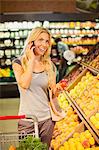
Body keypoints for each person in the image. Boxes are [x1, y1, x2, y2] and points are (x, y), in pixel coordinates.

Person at [12, 27, 64, 148]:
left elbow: (52, 94)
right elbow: (24, 84)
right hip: (27, 120)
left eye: (47, 41)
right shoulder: (18, 63)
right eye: (40, 40)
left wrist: (57, 90)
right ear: (32, 42)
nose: (44, 44)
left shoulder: (49, 65)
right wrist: (31, 60)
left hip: (47, 120)